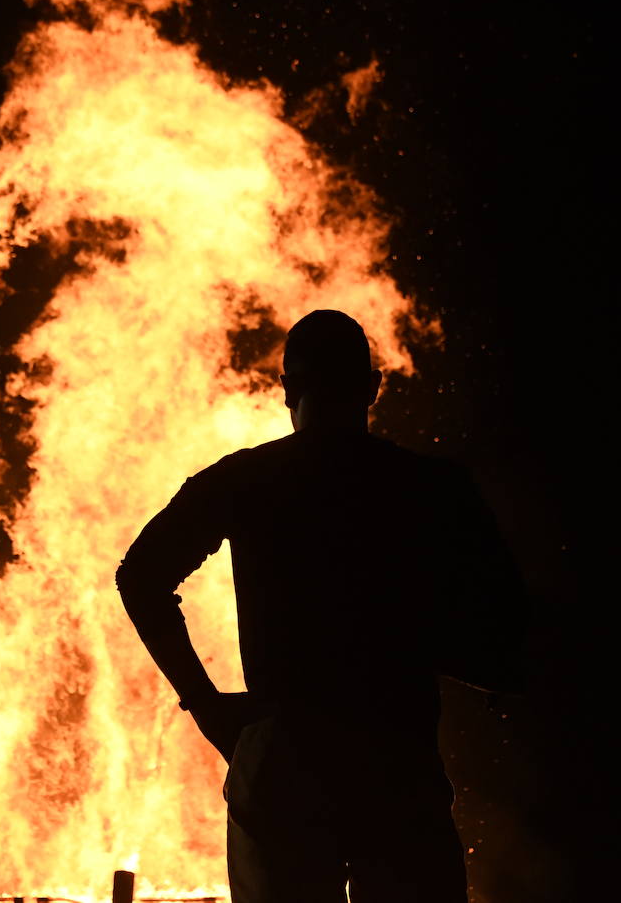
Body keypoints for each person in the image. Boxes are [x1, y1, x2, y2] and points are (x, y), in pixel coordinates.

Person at [115, 309, 527, 902]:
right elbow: (508, 644)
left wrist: (208, 706)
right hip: (397, 764)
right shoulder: (434, 488)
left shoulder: (246, 479)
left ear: (287, 389)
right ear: (372, 386)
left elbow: (141, 576)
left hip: (285, 762)